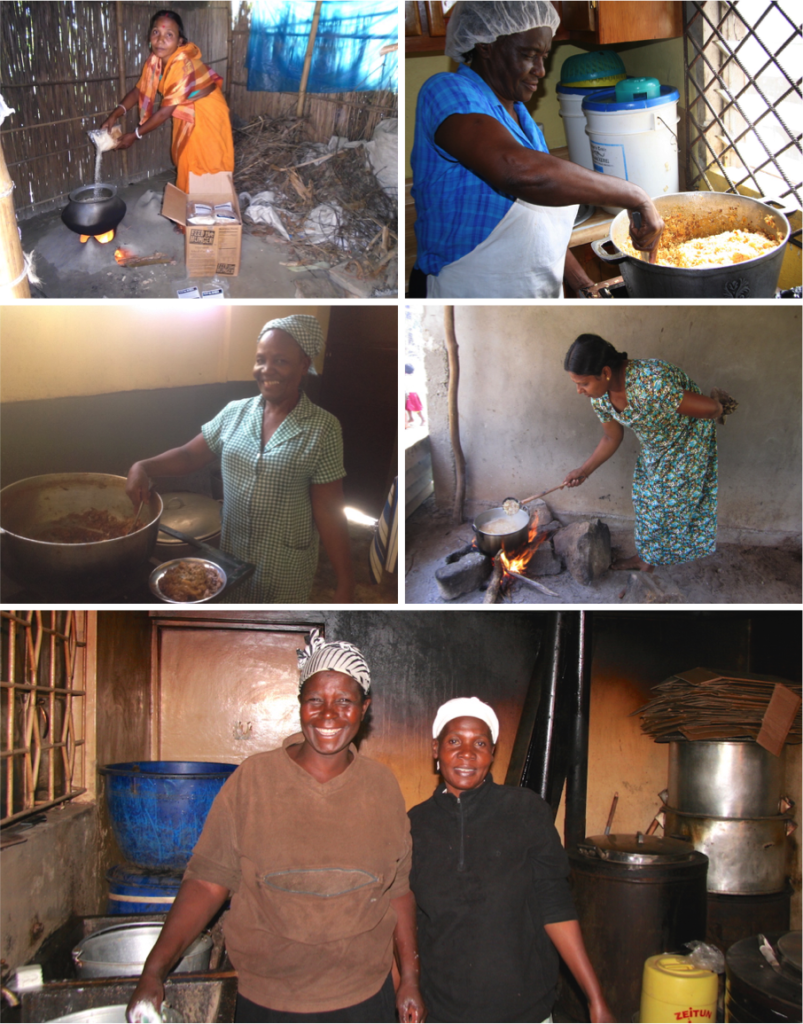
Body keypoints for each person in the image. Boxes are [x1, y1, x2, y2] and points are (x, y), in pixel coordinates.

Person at [126, 630, 425, 1024]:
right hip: (266, 1001)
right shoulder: (254, 780)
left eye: (345, 701)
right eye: (315, 700)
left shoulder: (382, 787)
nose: (328, 714)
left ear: (364, 708)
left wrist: (409, 979)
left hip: (363, 998)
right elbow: (206, 881)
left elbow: (398, 893)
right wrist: (154, 971)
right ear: (300, 704)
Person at [409, 0, 664, 299]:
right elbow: (517, 172)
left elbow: (538, 225)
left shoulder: (521, 117)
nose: (541, 70)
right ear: (485, 45)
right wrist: (634, 196)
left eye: (544, 56)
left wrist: (584, 286)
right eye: (528, 55)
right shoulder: (445, 90)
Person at [408, 698, 613, 1024]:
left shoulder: (525, 811)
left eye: (480, 743)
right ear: (436, 749)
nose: (467, 752)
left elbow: (555, 905)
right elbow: (406, 920)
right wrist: (406, 986)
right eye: (454, 741)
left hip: (524, 1010)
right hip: (442, 1011)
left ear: (492, 753)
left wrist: (595, 997)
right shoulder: (415, 825)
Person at [125, 314, 355, 603]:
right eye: (261, 359)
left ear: (304, 364)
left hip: (285, 566)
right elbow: (189, 455)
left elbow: (329, 508)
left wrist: (345, 582)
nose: (266, 370)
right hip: (232, 559)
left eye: (281, 361)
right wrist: (143, 466)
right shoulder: (235, 412)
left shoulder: (323, 428)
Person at [563, 334, 730, 572]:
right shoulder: (600, 398)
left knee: (666, 506)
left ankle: (650, 562)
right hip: (656, 445)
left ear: (606, 373)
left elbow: (711, 409)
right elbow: (612, 437)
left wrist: (719, 406)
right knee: (644, 501)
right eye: (576, 384)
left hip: (688, 441)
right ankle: (646, 558)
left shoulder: (653, 383)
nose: (579, 391)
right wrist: (583, 470)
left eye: (584, 383)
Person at [100, 10, 234, 197]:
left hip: (206, 112)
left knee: (203, 161)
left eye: (169, 35)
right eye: (156, 32)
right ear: (149, 36)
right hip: (187, 111)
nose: (161, 40)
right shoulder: (155, 62)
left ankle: (205, 213)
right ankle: (191, 212)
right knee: (188, 160)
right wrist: (115, 115)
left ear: (180, 41)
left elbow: (164, 113)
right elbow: (139, 90)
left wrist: (135, 135)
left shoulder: (181, 66)